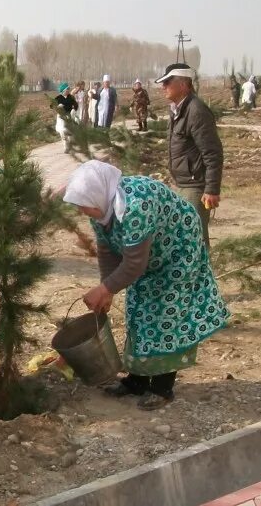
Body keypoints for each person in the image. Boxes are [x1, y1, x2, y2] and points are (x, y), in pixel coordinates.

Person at [63, 160, 229, 410]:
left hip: (177, 250)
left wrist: (106, 289)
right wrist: (107, 286)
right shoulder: (101, 209)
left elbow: (134, 264)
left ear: (98, 195)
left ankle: (162, 387)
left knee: (166, 314)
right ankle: (137, 380)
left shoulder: (135, 207)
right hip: (148, 255)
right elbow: (107, 250)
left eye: (83, 205)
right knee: (139, 309)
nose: (82, 211)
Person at [156, 63, 223, 248]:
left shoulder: (196, 111)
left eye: (168, 82)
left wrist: (211, 190)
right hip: (182, 183)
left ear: (183, 84)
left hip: (195, 186)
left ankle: (202, 275)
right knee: (184, 236)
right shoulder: (177, 110)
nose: (163, 87)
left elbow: (213, 153)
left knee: (194, 238)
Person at [52, 82, 78, 153]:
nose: (68, 90)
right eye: (67, 89)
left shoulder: (70, 97)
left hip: (68, 116)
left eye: (69, 89)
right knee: (62, 131)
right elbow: (52, 105)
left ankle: (70, 143)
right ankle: (66, 146)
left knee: (68, 131)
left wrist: (73, 109)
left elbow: (75, 105)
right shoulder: (58, 98)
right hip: (60, 118)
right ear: (63, 91)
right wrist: (57, 107)